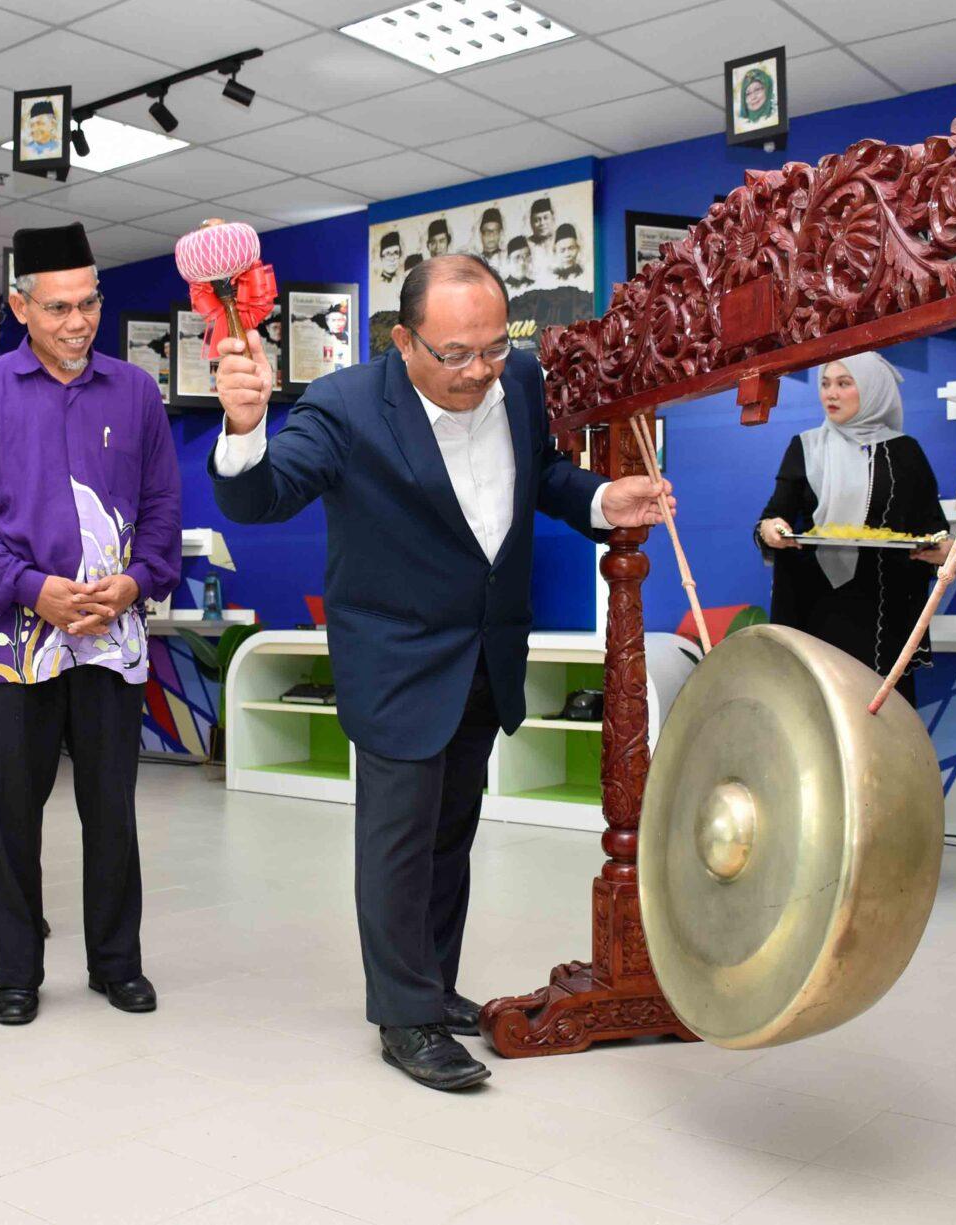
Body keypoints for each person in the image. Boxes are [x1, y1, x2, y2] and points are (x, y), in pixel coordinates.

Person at [209, 255, 672, 1091]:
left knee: (450, 836)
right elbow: (264, 496)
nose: (478, 371)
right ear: (403, 339)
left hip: (485, 650)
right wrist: (246, 431)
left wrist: (602, 500)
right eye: (454, 353)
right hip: (395, 659)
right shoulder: (347, 405)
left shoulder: (519, 381)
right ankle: (405, 1018)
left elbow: (542, 475)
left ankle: (432, 984)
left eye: (492, 348)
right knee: (397, 844)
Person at [0, 223, 181, 1027]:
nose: (78, 322)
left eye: (89, 304)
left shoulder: (136, 391)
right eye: (58, 308)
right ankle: (16, 972)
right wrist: (29, 589)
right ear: (20, 307)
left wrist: (136, 580)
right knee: (10, 812)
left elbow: (161, 509)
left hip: (112, 639)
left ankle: (117, 963)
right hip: (14, 644)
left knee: (112, 809)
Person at [756, 353, 948, 703]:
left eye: (844, 384)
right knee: (817, 710)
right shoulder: (805, 447)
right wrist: (771, 530)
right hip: (815, 605)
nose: (831, 394)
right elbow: (773, 517)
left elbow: (935, 528)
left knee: (882, 716)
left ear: (873, 389)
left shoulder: (905, 452)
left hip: (883, 608)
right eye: (825, 384)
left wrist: (940, 549)